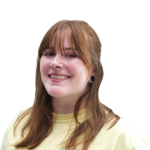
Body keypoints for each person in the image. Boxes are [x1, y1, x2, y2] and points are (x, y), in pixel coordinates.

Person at [1, 19, 150, 150]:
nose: (55, 63)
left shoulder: (120, 136)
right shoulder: (19, 124)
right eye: (49, 53)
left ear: (93, 70)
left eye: (70, 55)